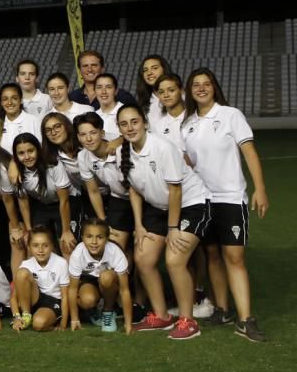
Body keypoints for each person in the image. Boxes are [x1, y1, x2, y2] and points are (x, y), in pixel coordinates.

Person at [181, 68, 268, 342]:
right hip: (202, 201)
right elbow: (189, 164)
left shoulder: (231, 115)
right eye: (196, 85)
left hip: (230, 198)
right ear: (190, 90)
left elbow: (250, 153)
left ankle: (245, 319)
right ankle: (222, 309)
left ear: (214, 87)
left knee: (235, 258)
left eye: (206, 84)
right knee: (212, 256)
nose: (202, 88)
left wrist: (260, 189)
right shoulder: (188, 124)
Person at [117, 104, 210, 340]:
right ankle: (161, 316)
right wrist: (138, 225)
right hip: (160, 208)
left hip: (192, 204)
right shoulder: (122, 152)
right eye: (124, 124)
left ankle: (188, 321)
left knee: (174, 259)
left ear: (145, 123)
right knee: (143, 258)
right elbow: (135, 191)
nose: (130, 127)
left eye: (134, 121)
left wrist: (173, 229)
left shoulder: (162, 147)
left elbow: (176, 190)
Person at [12, 132, 77, 258]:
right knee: (37, 243)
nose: (27, 157)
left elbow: (64, 201)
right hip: (42, 204)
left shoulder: (53, 164)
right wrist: (29, 230)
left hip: (65, 203)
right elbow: (23, 201)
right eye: (21, 153)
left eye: (31, 151)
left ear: (38, 150)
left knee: (66, 244)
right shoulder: (17, 171)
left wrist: (66, 230)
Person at [74, 113, 132, 253]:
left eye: (93, 133)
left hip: (142, 197)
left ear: (102, 133)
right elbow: (93, 191)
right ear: (78, 137)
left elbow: (134, 135)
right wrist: (102, 221)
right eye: (83, 134)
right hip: (119, 199)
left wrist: (121, 139)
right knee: (116, 247)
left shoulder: (119, 147)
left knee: (140, 248)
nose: (88, 139)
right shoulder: (83, 156)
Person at [67, 218, 133, 334]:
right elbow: (72, 289)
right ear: (82, 238)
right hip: (89, 280)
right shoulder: (78, 254)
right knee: (87, 300)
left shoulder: (115, 251)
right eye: (89, 236)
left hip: (110, 281)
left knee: (105, 277)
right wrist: (74, 319)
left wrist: (128, 324)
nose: (94, 241)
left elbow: (125, 290)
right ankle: (92, 310)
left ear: (107, 238)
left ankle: (108, 311)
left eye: (99, 237)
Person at [11, 226, 71, 332]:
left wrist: (64, 323)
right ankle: (26, 315)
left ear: (52, 246)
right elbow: (14, 297)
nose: (40, 250)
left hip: (53, 302)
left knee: (38, 324)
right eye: (35, 245)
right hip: (35, 299)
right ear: (29, 247)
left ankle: (49, 319)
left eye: (45, 245)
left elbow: (65, 296)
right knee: (22, 273)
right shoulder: (26, 264)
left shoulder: (61, 263)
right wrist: (17, 317)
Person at [69, 50, 137, 108]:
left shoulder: (122, 96)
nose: (89, 69)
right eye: (85, 66)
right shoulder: (72, 97)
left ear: (102, 69)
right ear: (79, 70)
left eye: (94, 65)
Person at [0, 83, 42, 153]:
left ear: (21, 100)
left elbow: (40, 147)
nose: (9, 102)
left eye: (14, 98)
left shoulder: (33, 121)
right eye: (5, 99)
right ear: (1, 102)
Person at [151, 73, 187, 149]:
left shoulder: (194, 118)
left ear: (181, 90)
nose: (166, 95)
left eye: (171, 90)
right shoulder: (158, 126)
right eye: (161, 92)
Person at [137, 55, 173, 120]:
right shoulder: (143, 104)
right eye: (145, 70)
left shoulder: (182, 97)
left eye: (155, 68)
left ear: (164, 70)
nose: (149, 73)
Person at [93, 74, 128, 141]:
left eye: (108, 87)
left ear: (116, 90)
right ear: (94, 91)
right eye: (99, 87)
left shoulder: (126, 112)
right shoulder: (94, 116)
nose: (103, 92)